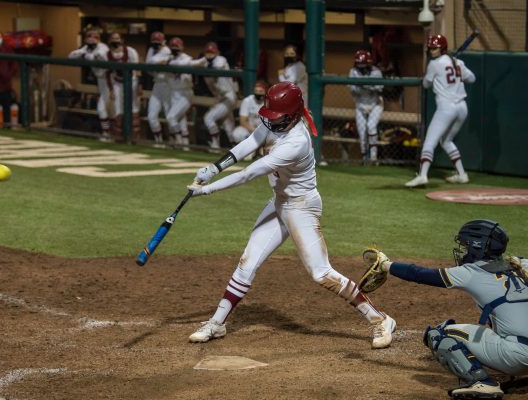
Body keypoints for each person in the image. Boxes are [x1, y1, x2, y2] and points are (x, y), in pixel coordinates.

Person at [185, 82, 396, 349]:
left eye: (278, 118)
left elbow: (251, 172)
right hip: (279, 203)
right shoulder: (276, 123)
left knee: (320, 273)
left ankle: (380, 319)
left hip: (302, 208)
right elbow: (246, 145)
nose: (271, 123)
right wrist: (214, 168)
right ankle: (217, 323)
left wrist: (207, 190)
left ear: (293, 115)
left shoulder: (296, 141)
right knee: (246, 263)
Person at [369, 219, 528, 399]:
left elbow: (419, 274)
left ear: (478, 246)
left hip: (517, 357)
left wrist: (385, 265)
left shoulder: (471, 273)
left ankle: (482, 383)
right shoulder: (521, 264)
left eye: (467, 245)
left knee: (440, 334)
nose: (464, 250)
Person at [406, 34, 476, 187]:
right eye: (431, 48)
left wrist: (441, 75)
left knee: (430, 141)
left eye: (435, 48)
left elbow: (426, 84)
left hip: (447, 108)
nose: (432, 50)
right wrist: (458, 72)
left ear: (442, 48)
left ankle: (423, 175)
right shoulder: (458, 62)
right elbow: (472, 78)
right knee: (446, 140)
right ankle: (462, 175)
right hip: (462, 108)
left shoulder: (434, 64)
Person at [68, 27, 110, 142]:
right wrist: (83, 51)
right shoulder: (87, 48)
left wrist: (86, 54)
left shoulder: (103, 47)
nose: (91, 41)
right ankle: (107, 133)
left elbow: (97, 57)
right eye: (89, 38)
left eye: (93, 38)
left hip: (110, 80)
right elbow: (70, 56)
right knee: (103, 109)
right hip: (101, 80)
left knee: (103, 108)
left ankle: (108, 134)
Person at [195, 42, 238, 150]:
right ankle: (235, 149)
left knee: (209, 118)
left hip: (228, 96)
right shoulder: (204, 62)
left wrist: (204, 63)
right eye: (207, 53)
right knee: (228, 125)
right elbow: (192, 63)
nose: (209, 55)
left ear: (217, 52)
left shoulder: (221, 59)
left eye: (212, 53)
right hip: (220, 98)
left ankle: (215, 145)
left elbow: (217, 67)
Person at [348, 50, 383, 163]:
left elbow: (380, 88)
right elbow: (353, 89)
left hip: (375, 103)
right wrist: (367, 85)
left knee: (371, 126)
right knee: (362, 132)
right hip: (360, 104)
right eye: (359, 64)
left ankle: (373, 157)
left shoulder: (376, 72)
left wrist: (364, 85)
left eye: (363, 64)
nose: (361, 66)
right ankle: (364, 158)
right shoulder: (353, 71)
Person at [104, 32, 140, 143]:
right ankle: (118, 137)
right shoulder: (107, 54)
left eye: (117, 38)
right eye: (113, 39)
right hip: (117, 82)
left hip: (131, 81)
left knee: (133, 108)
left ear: (122, 40)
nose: (115, 41)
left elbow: (138, 70)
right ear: (109, 41)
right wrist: (110, 89)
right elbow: (107, 73)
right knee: (118, 110)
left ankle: (133, 138)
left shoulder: (130, 51)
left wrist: (139, 86)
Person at [166, 37, 195, 148]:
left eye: (177, 46)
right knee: (181, 120)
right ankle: (185, 145)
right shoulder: (168, 59)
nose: (175, 49)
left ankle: (178, 140)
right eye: (172, 47)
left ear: (182, 47)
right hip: (173, 92)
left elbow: (187, 63)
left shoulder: (187, 58)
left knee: (171, 117)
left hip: (185, 92)